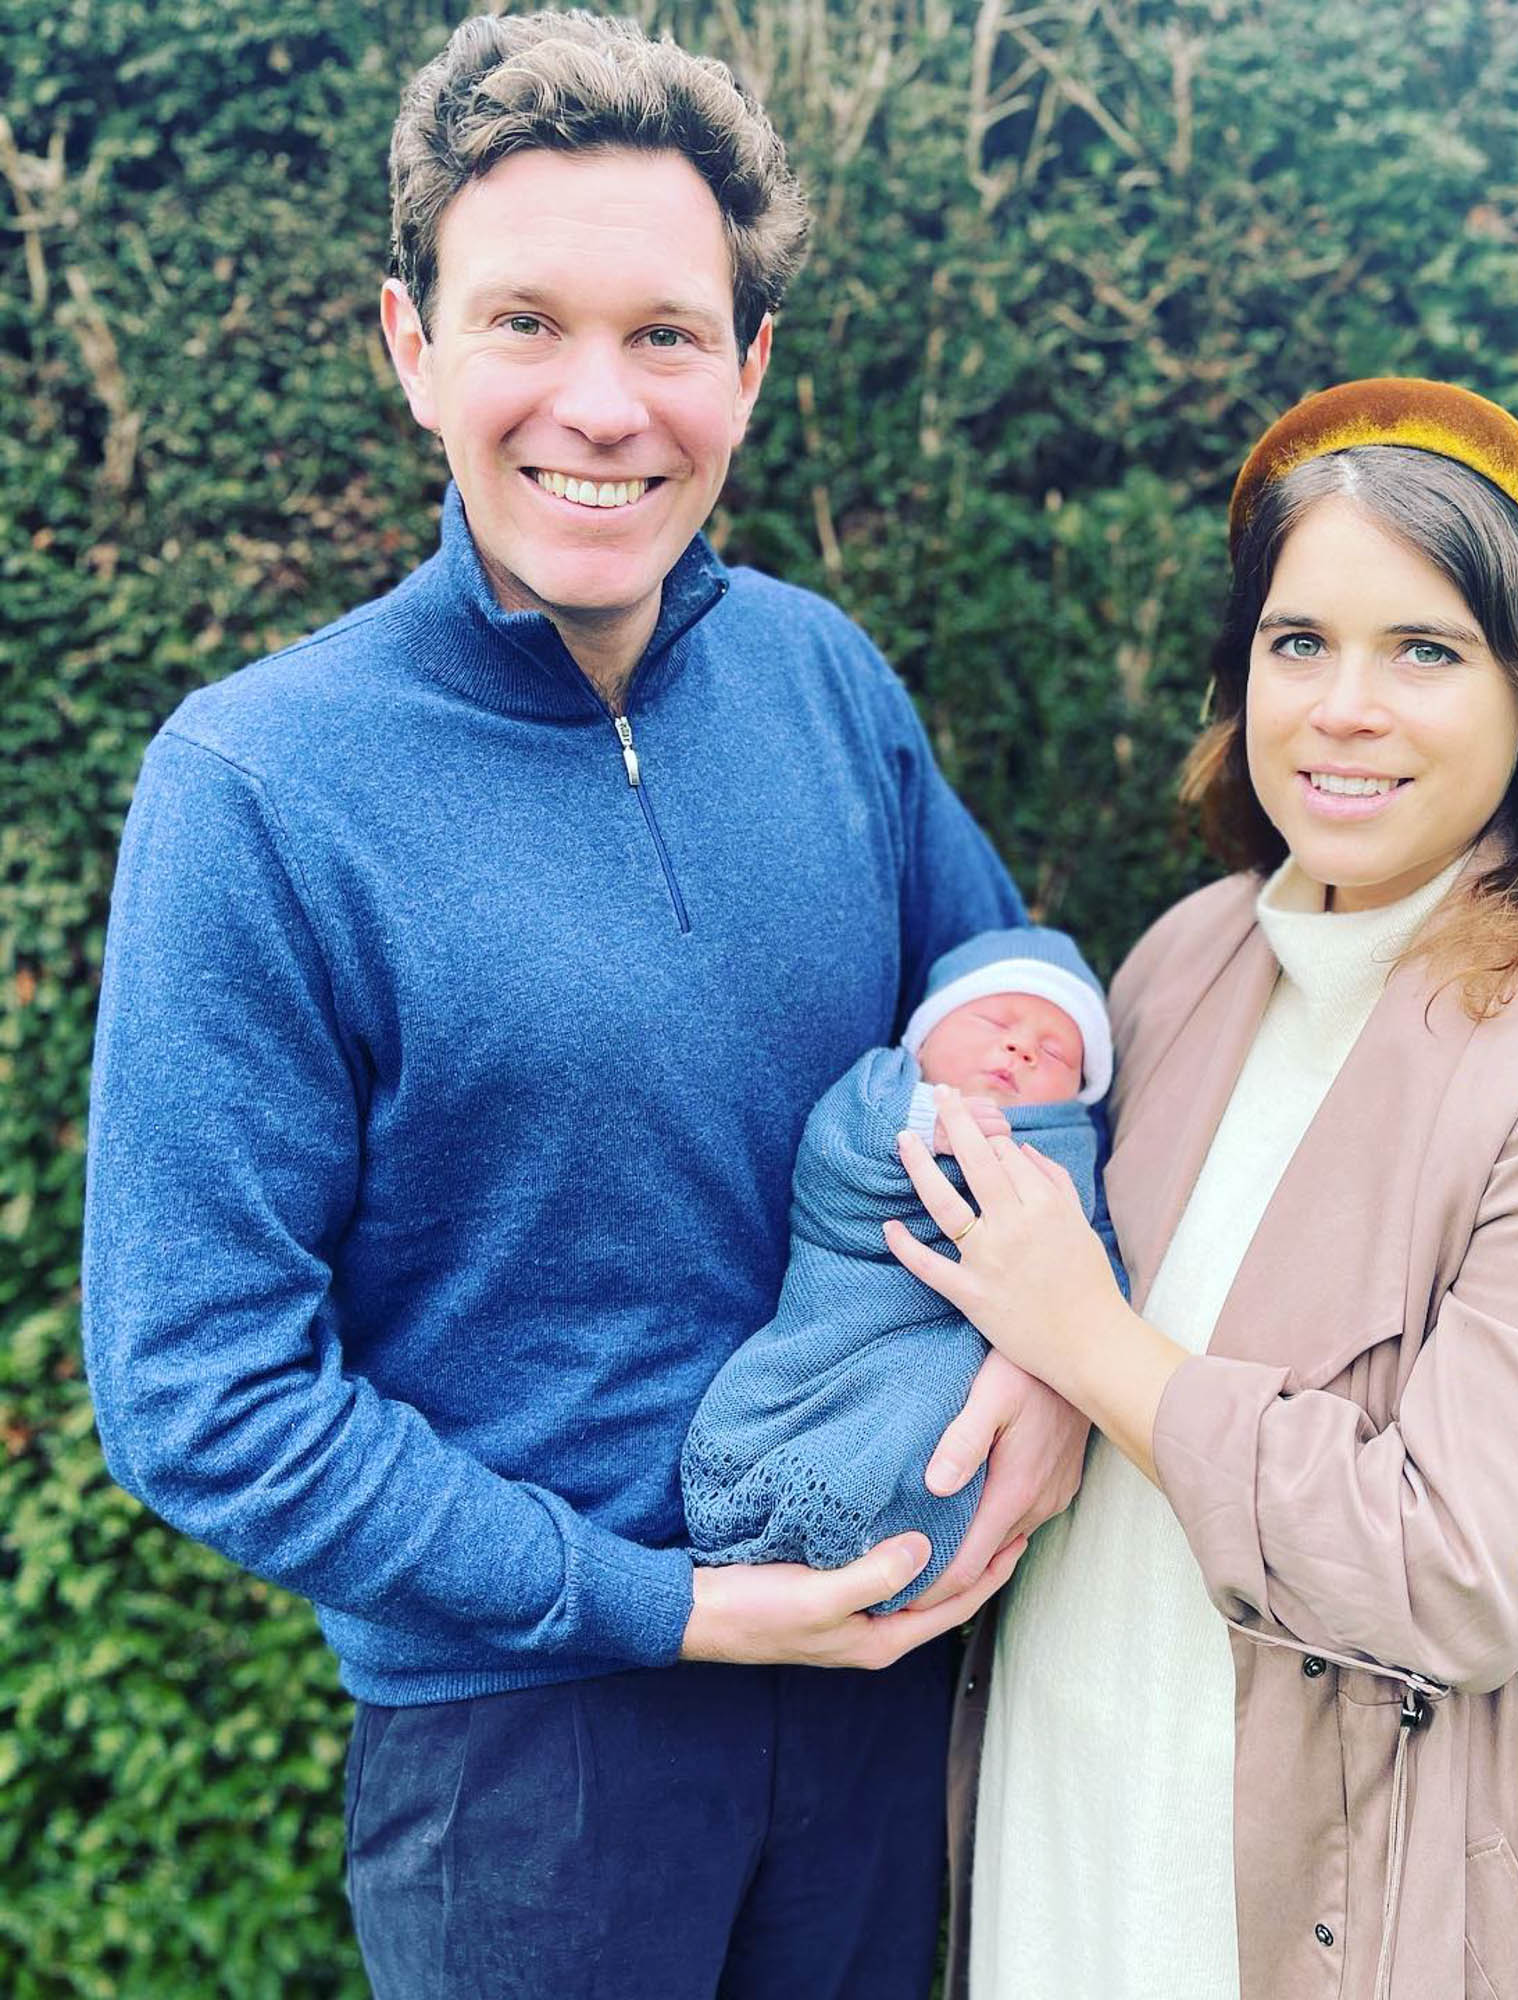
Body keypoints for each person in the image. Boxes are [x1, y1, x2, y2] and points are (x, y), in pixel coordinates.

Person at [80, 13, 1090, 1999]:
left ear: (751, 371)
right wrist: (668, 1606)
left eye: (667, 335)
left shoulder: (824, 685)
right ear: (412, 348)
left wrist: (1063, 1365)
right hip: (528, 1767)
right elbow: (197, 1393)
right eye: (524, 320)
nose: (600, 406)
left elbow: (1025, 1034)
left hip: (895, 1698)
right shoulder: (262, 786)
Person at [888, 379, 1518, 1999]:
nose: (1342, 708)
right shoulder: (1186, 959)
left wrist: (1087, 1336)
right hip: (1078, 1831)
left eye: (1423, 651)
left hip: (1405, 1907)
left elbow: (1448, 1573)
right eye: (1299, 644)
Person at [684, 925, 1113, 1610]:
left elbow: (1091, 1256)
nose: (1021, 1046)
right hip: (858, 1300)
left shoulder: (1069, 1147)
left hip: (958, 1342)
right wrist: (924, 1126)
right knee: (849, 1390)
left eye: (1055, 1049)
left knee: (932, 1404)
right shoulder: (884, 1086)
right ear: (925, 1035)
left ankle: (895, 1542)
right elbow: (833, 1158)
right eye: (994, 1021)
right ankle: (786, 1497)